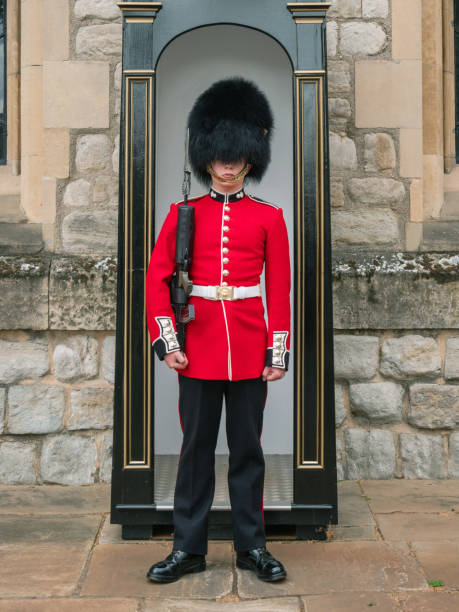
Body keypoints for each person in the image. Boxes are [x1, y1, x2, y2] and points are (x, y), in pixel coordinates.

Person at [145, 77, 291, 583]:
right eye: (219, 157)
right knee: (195, 453)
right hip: (198, 348)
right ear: (207, 159)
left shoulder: (270, 218)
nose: (227, 166)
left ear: (249, 159)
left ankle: (253, 547)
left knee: (248, 453)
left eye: (236, 157)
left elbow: (279, 292)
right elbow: (155, 281)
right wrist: (168, 343)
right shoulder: (182, 214)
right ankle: (188, 548)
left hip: (250, 349)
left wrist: (277, 351)